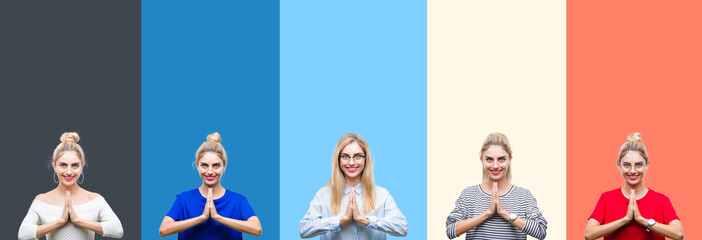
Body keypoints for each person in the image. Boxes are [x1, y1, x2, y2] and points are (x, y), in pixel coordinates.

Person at [299, 133, 408, 239]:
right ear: (338, 159)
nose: (351, 162)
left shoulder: (382, 195)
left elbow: (402, 228)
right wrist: (341, 220)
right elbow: (304, 230)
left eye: (357, 156)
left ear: (365, 159)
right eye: (345, 156)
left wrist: (364, 220)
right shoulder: (323, 194)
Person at [18, 132, 124, 240]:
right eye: (63, 165)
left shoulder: (94, 199)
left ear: (81, 166)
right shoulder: (42, 200)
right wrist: (60, 221)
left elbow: (117, 230)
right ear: (54, 166)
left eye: (75, 165)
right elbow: (23, 234)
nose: (69, 171)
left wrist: (78, 220)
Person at [159, 132, 262, 239]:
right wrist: (202, 218)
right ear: (197, 166)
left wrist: (217, 217)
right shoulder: (183, 199)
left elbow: (257, 229)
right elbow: (163, 230)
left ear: (224, 167)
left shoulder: (238, 200)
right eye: (204, 165)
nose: (210, 171)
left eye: (216, 165)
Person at [445, 132, 547, 239]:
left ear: (509, 160)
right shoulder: (469, 194)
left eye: (501, 159)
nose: (495, 165)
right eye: (489, 159)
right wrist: (487, 213)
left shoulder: (524, 195)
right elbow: (451, 230)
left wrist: (504, 213)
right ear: (482, 160)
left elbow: (541, 231)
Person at [584, 132, 684, 240]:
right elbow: (589, 234)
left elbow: (679, 234)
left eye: (638, 165)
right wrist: (625, 219)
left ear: (646, 165)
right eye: (627, 165)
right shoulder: (606, 198)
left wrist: (642, 220)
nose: (632, 171)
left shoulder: (661, 200)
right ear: (619, 166)